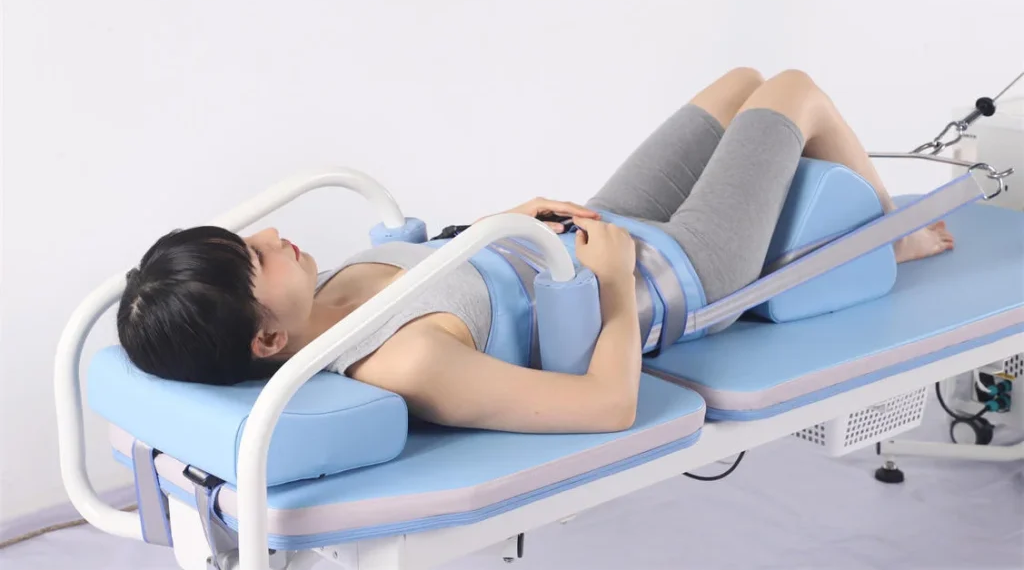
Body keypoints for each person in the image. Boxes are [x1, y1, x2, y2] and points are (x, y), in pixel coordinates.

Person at [117, 68, 954, 434]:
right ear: (267, 339)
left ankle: (881, 223)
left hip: (595, 229)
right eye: (255, 256)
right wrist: (619, 287)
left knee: (739, 81)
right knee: (792, 92)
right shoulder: (403, 363)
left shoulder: (328, 291)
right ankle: (895, 232)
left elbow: (464, 275)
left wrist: (495, 223)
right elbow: (605, 406)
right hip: (680, 269)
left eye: (249, 237)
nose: (272, 236)